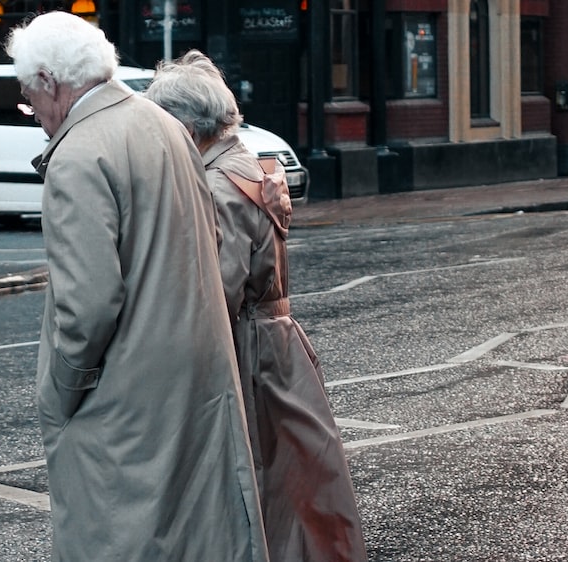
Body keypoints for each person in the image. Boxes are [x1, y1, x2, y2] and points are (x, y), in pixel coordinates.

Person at [5, 14, 269, 562]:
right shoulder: (163, 123)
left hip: (121, 400)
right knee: (195, 535)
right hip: (194, 379)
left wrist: (60, 394)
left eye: (29, 96)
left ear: (51, 80)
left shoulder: (78, 154)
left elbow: (88, 307)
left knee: (118, 538)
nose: (34, 114)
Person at [145, 50, 368, 562]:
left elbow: (217, 291)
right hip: (274, 342)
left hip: (248, 348)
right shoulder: (247, 162)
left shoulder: (219, 183)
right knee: (294, 481)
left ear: (186, 123)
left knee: (258, 480)